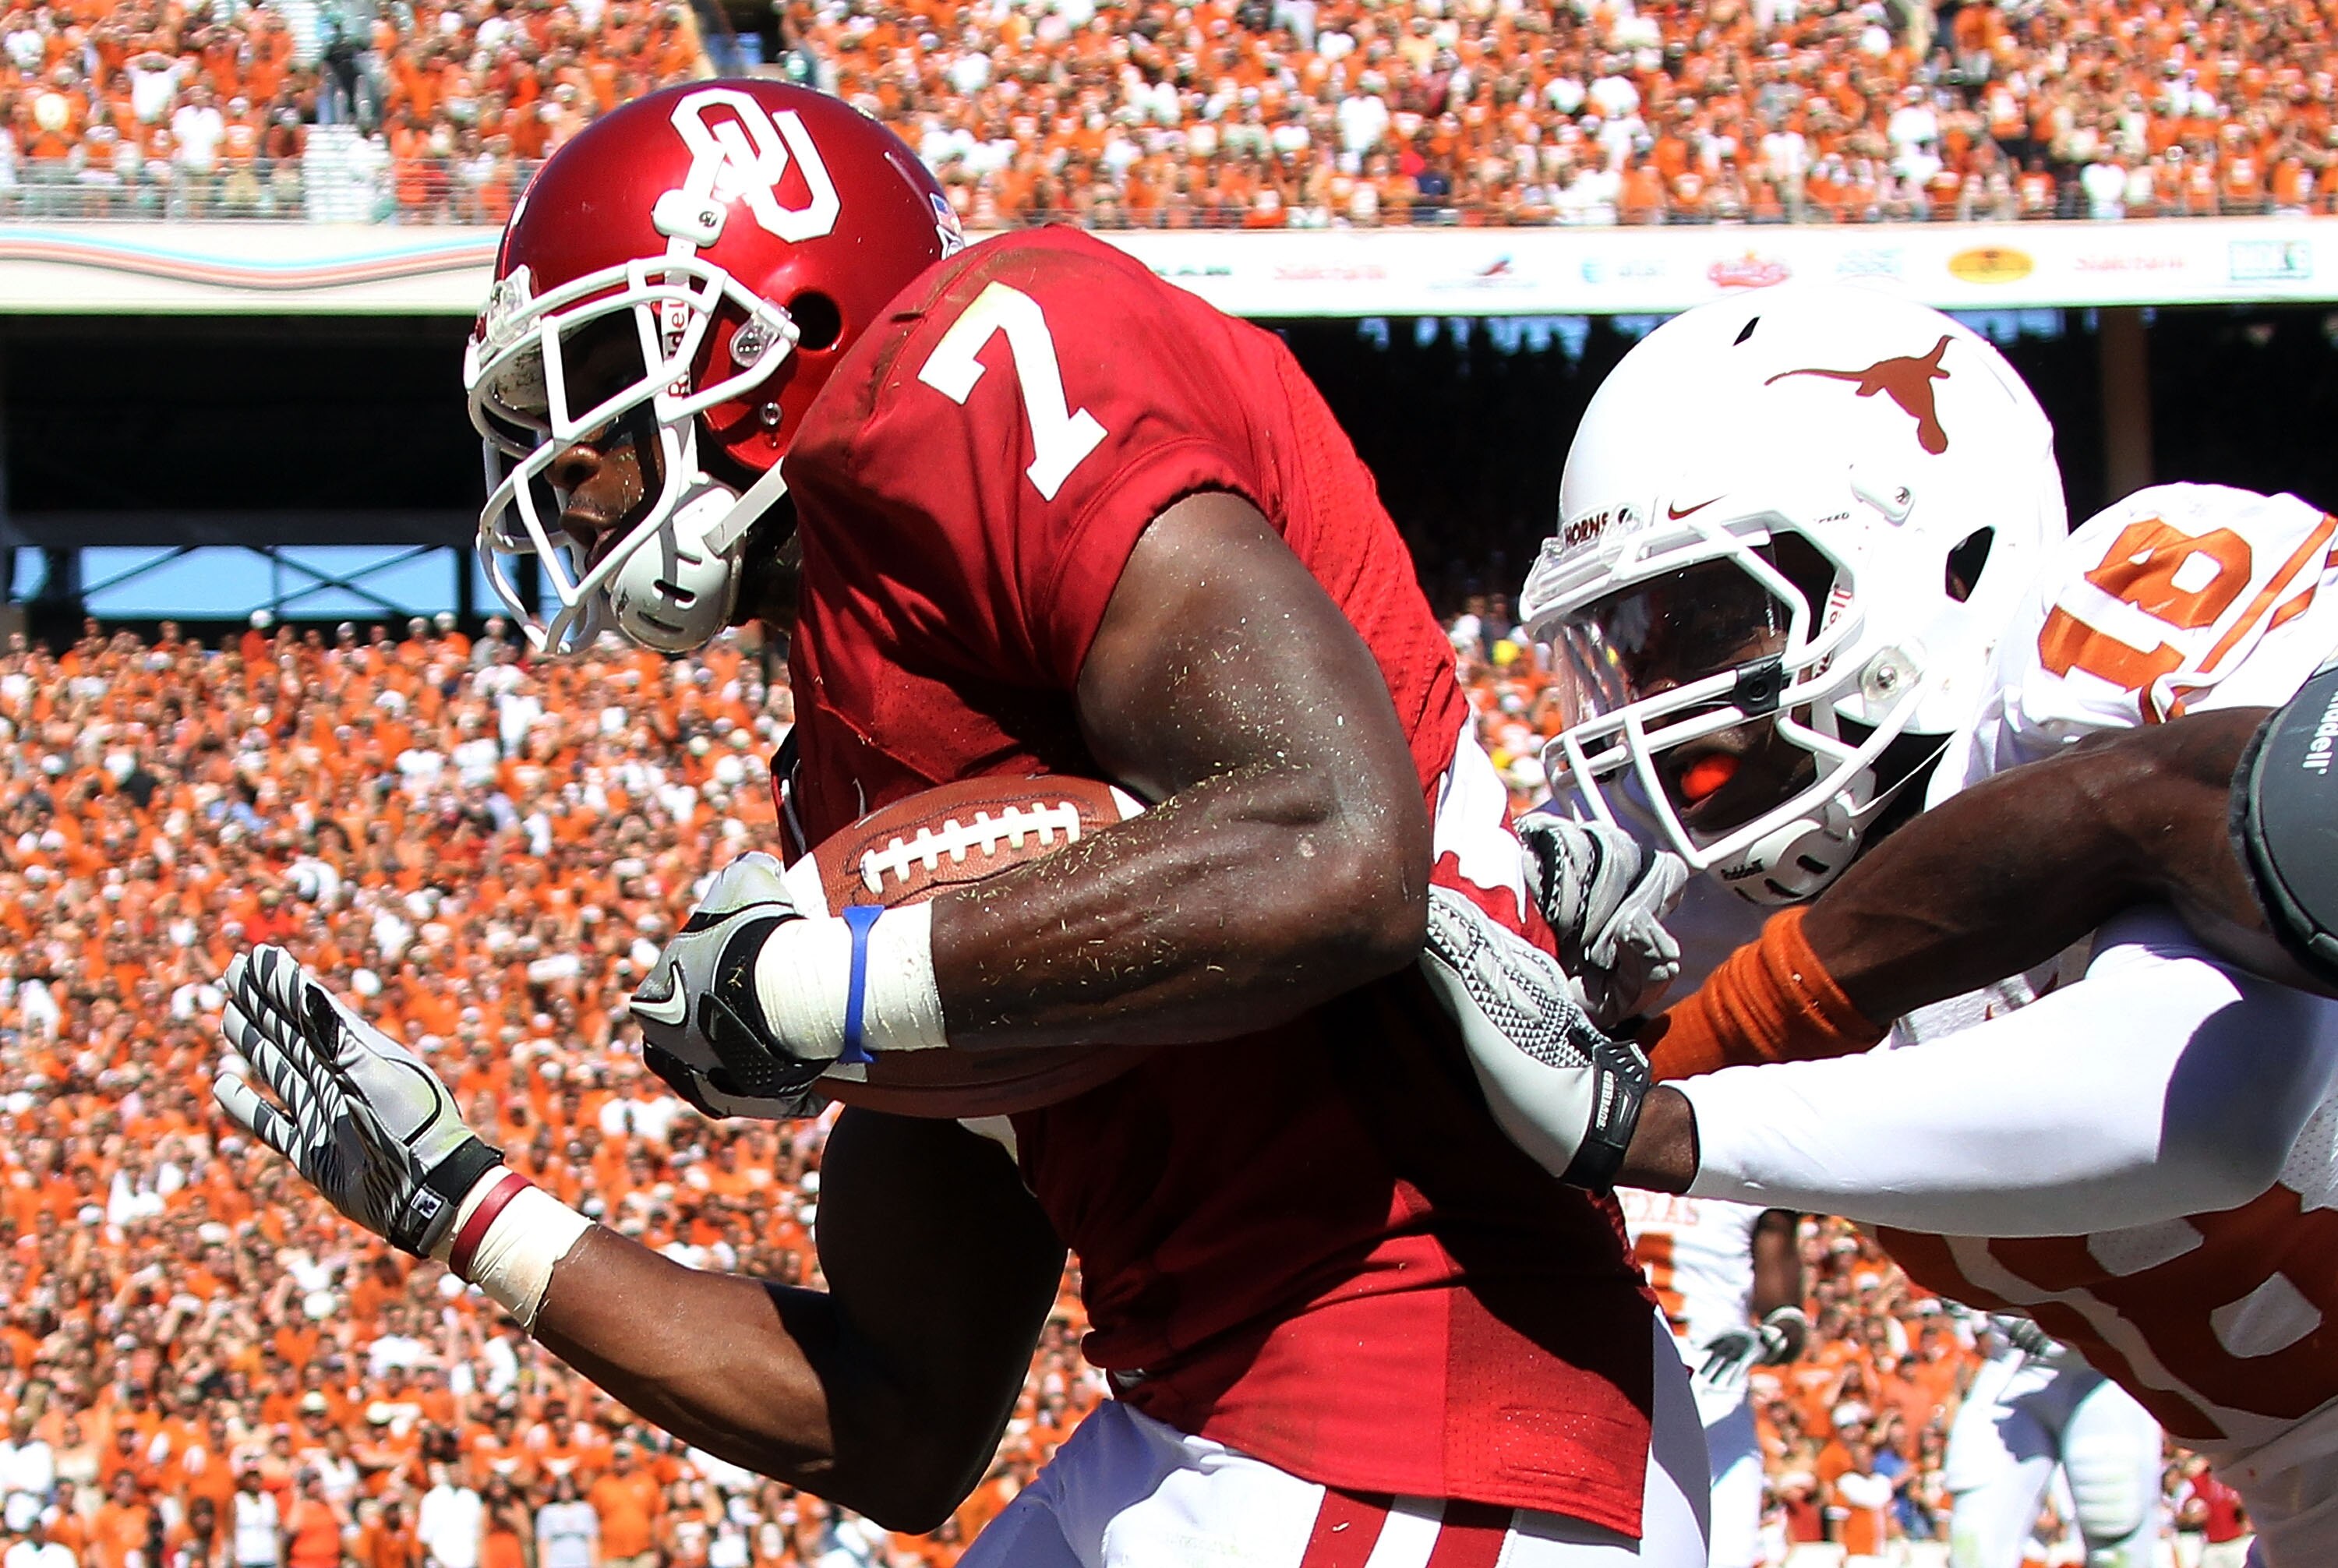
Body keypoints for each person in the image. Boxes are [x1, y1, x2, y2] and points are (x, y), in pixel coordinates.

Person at [214, 77, 1701, 1568]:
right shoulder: (851, 756)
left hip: (1423, 1406)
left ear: (775, 321)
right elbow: (901, 1406)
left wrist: (821, 987)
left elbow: (1333, 842)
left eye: (597, 366)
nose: (572, 462)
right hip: (1224, 1421)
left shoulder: (983, 359)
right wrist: (465, 1201)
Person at [1510, 281, 2170, 1568]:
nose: (1664, 704)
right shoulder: (1704, 892)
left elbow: (2214, 1096)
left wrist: (1690, 1116)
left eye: (1706, 623)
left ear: (1942, 562)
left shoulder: (2125, 677)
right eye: (1633, 647)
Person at [1616, 1192, 1804, 1568]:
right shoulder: (1601, 1158)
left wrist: (1767, 1338)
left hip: (1716, 1410)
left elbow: (1789, 1317)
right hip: (1621, 1405)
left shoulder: (1748, 1181)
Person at [533, 1474, 597, 1568]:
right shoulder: (547, 1512)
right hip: (556, 1564)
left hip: (583, 1563)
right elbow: (543, 1543)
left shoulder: (586, 1510)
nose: (565, 1490)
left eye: (568, 1487)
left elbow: (593, 1541)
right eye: (561, 1487)